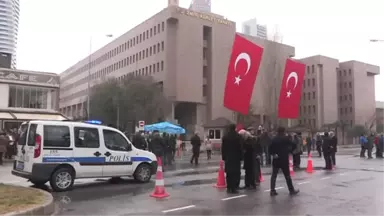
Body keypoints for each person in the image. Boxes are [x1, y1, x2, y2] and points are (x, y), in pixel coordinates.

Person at [269, 126, 299, 196]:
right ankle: (291, 190)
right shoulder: (286, 138)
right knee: (287, 175)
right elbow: (294, 145)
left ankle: (272, 190)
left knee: (274, 175)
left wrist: (273, 154)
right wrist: (289, 151)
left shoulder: (274, 139)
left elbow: (270, 149)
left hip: (276, 159)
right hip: (284, 159)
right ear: (284, 131)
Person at [222, 124, 243, 194]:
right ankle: (234, 188)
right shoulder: (238, 137)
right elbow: (240, 148)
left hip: (228, 157)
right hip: (236, 157)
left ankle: (229, 187)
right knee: (235, 173)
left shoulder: (225, 137)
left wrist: (224, 157)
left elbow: (223, 148)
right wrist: (241, 157)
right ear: (235, 128)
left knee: (229, 173)